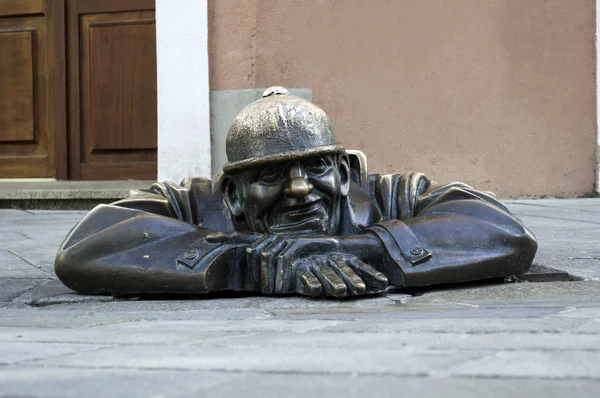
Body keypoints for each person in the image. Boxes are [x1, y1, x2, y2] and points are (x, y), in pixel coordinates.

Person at [54, 87, 537, 298]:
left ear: (345, 171)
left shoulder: (394, 195)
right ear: (235, 193)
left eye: (318, 167)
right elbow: (86, 246)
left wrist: (352, 248)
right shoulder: (196, 203)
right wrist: (254, 261)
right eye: (271, 176)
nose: (301, 189)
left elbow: (503, 232)